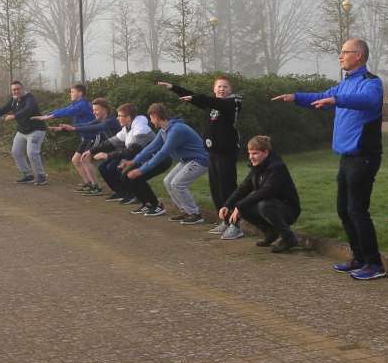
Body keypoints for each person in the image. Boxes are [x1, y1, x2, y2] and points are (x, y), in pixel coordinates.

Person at [272, 38, 385, 280]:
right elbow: (322, 97)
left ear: (360, 56)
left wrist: (337, 100)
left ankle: (374, 264)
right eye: (341, 52)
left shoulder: (371, 83)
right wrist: (295, 96)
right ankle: (358, 258)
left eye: (345, 52)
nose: (340, 56)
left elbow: (370, 102)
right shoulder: (345, 84)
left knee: (357, 210)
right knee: (344, 210)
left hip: (364, 157)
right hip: (346, 158)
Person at [159, 76, 244, 236]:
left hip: (226, 153)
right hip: (212, 153)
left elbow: (207, 100)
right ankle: (224, 221)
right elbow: (195, 98)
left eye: (225, 87)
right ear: (214, 89)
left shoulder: (233, 103)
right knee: (216, 189)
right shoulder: (211, 104)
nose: (222, 89)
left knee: (228, 189)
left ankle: (235, 225)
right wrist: (173, 87)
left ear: (230, 90)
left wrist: (197, 98)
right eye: (219, 87)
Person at [124, 103, 209, 224]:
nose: (151, 121)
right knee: (168, 181)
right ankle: (186, 211)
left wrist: (140, 170)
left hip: (200, 160)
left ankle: (195, 214)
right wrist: (134, 161)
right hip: (187, 160)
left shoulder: (176, 130)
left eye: (151, 118)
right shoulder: (164, 130)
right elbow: (152, 148)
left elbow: (163, 153)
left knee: (177, 183)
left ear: (155, 116)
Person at [219, 135, 302, 251]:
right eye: (249, 153)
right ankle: (270, 233)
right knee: (246, 206)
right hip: (272, 206)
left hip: (288, 209)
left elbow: (267, 191)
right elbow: (243, 188)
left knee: (263, 205)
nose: (251, 157)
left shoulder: (277, 168)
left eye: (255, 153)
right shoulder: (257, 167)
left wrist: (239, 206)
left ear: (266, 153)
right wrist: (227, 205)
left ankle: (288, 238)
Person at [95, 104, 159, 212]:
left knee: (135, 177)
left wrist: (108, 155)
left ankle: (155, 205)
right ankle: (145, 203)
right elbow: (113, 141)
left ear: (128, 117)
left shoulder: (141, 129)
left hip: (156, 159)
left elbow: (132, 150)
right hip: (143, 159)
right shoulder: (127, 128)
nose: (117, 118)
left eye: (120, 115)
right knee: (128, 176)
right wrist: (92, 150)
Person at [51, 97, 118, 194]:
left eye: (96, 110)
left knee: (95, 162)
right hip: (112, 147)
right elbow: (87, 124)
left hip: (121, 148)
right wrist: (64, 129)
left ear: (105, 109)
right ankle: (102, 188)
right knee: (102, 166)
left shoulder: (110, 120)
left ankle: (99, 187)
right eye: (93, 110)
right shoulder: (100, 119)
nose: (94, 112)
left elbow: (96, 127)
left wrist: (74, 129)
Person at [0, 80, 48, 185]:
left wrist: (14, 116)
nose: (16, 91)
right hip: (22, 131)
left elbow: (29, 109)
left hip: (36, 130)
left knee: (32, 152)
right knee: (16, 152)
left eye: (18, 89)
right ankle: (28, 175)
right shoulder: (13, 100)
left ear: (22, 89)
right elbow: (4, 109)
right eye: (13, 90)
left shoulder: (30, 98)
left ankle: (41, 176)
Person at [42, 84, 99, 192]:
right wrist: (57, 126)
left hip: (94, 136)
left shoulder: (83, 105)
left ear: (80, 93)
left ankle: (96, 186)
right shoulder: (76, 104)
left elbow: (66, 112)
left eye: (72, 92)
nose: (70, 94)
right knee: (76, 160)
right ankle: (88, 183)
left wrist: (49, 116)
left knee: (85, 160)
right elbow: (66, 111)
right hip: (85, 137)